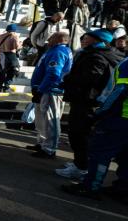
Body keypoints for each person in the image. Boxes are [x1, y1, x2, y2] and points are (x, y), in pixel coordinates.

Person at [58, 29, 122, 179]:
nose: (84, 39)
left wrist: (68, 80)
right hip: (92, 101)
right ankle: (80, 163)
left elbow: (90, 78)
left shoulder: (97, 56)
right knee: (82, 134)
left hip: (86, 101)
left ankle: (81, 167)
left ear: (96, 40)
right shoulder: (109, 53)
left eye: (87, 37)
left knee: (78, 134)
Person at [61, 56, 128, 200]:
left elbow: (120, 91)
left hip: (120, 117)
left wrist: (100, 113)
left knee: (100, 153)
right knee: (125, 156)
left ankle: (91, 186)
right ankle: (123, 189)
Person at [29, 32, 73, 159]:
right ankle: (43, 142)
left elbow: (54, 73)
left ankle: (49, 148)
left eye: (52, 37)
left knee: (51, 119)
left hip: (51, 90)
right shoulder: (54, 50)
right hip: (45, 89)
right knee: (42, 118)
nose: (48, 39)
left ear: (59, 40)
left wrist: (41, 89)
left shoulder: (58, 52)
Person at [0, 24, 22, 91]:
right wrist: (21, 45)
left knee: (1, 71)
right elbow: (17, 46)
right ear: (14, 30)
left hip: (1, 55)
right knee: (13, 70)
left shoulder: (0, 36)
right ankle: (6, 85)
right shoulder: (14, 36)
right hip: (10, 55)